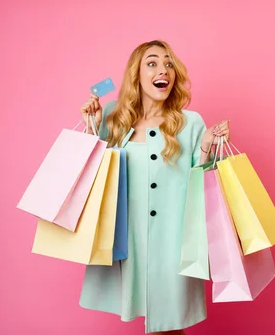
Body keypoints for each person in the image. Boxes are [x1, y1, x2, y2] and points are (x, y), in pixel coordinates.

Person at [77, 39, 230, 335]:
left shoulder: (189, 122)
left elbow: (203, 181)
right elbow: (93, 179)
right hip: (126, 238)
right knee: (153, 321)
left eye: (169, 63)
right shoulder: (113, 116)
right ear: (136, 73)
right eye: (153, 63)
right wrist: (93, 127)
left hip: (172, 242)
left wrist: (210, 145)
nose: (164, 70)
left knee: (169, 323)